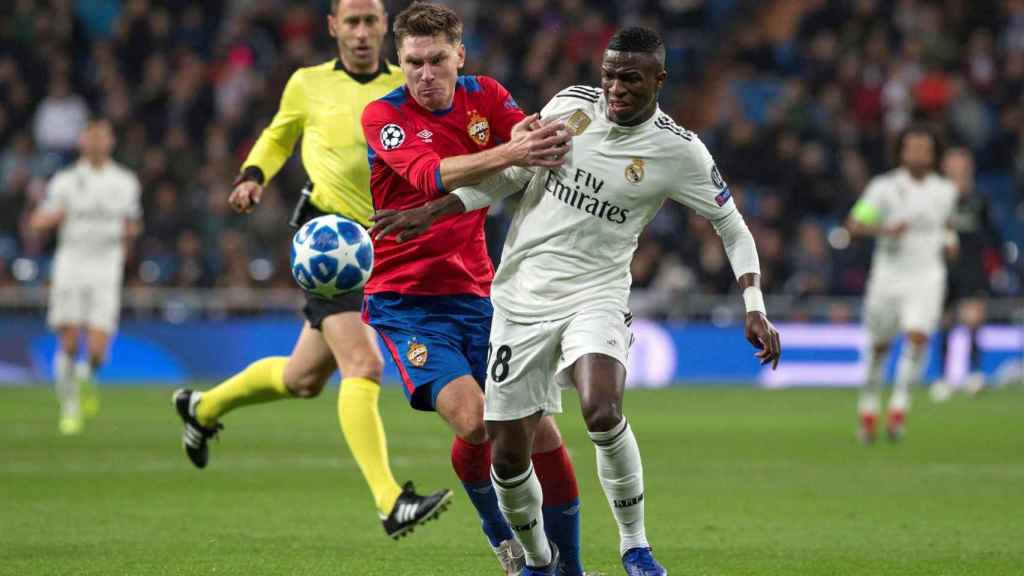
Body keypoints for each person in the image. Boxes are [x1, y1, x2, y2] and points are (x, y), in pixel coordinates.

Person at [371, 26, 782, 576]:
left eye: (630, 78)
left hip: (598, 294)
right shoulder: (570, 106)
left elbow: (731, 227)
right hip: (520, 298)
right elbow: (512, 172)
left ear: (658, 80)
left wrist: (753, 304)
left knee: (602, 409)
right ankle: (540, 561)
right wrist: (435, 210)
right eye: (609, 74)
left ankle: (635, 547)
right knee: (509, 452)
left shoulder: (678, 151)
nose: (615, 88)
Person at [170, 0, 451, 540]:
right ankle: (391, 501)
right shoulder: (307, 83)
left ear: (385, 29)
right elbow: (279, 134)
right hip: (332, 245)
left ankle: (201, 407)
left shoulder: (411, 81)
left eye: (372, 22)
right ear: (334, 28)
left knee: (302, 378)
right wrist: (254, 175)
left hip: (391, 239)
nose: (363, 32)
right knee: (363, 365)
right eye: (353, 22)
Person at [359, 4, 592, 574]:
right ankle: (502, 536)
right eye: (413, 62)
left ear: (459, 56)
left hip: (483, 295)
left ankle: (572, 568)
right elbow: (430, 175)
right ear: (399, 62)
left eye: (437, 60)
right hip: (406, 301)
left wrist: (532, 136)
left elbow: (520, 136)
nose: (425, 74)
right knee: (475, 419)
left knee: (540, 427)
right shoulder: (382, 116)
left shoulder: (485, 93)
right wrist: (516, 151)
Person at [30, 118, 142, 435]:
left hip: (106, 265)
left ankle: (85, 376)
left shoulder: (125, 181)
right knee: (67, 341)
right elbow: (39, 220)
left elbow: (134, 223)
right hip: (71, 262)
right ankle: (69, 409)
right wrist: (46, 219)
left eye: (101, 137)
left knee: (97, 349)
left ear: (110, 142)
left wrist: (129, 233)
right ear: (82, 142)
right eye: (90, 137)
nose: (95, 143)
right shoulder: (65, 180)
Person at [847, 125, 958, 443]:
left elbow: (947, 224)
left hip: (927, 275)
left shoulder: (945, 191)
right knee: (880, 346)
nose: (919, 154)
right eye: (913, 148)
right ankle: (869, 405)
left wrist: (951, 241)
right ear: (901, 152)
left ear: (934, 154)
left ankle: (899, 406)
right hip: (888, 275)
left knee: (918, 336)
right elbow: (855, 224)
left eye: (925, 149)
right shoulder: (884, 188)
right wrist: (883, 231)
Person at [930, 147, 1001, 401]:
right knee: (945, 322)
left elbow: (992, 234)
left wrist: (995, 263)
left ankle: (974, 373)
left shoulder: (979, 199)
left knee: (973, 320)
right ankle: (943, 377)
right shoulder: (936, 197)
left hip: (972, 267)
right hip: (945, 268)